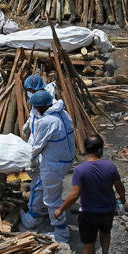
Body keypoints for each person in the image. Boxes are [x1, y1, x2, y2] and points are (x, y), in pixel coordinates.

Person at [55, 135, 126, 254]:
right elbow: (119, 187)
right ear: (100, 149)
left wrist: (61, 209)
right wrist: (122, 198)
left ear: (86, 150)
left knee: (89, 244)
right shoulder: (110, 166)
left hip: (89, 213)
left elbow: (75, 195)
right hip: (108, 210)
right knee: (105, 231)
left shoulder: (80, 170)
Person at [22, 90, 76, 243]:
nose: (35, 110)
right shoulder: (63, 113)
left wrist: (28, 158)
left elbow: (38, 145)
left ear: (42, 107)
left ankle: (61, 233)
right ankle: (35, 215)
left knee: (52, 198)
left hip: (54, 163)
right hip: (66, 159)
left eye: (36, 107)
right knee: (41, 186)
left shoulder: (47, 121)